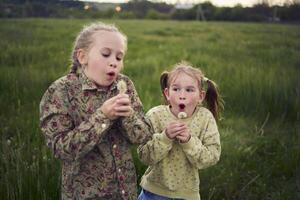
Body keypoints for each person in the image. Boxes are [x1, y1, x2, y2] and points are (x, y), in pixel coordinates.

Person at [39, 22, 151, 200]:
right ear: (83, 57)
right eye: (106, 54)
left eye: (119, 57)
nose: (114, 62)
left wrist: (128, 116)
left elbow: (143, 136)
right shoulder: (61, 91)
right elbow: (61, 149)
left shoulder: (125, 85)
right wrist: (103, 117)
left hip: (125, 193)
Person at [137, 61, 223, 200]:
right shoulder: (155, 115)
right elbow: (144, 156)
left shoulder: (205, 118)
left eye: (189, 90)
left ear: (200, 96)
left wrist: (189, 142)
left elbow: (212, 156)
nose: (182, 95)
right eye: (176, 89)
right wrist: (165, 137)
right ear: (167, 93)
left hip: (187, 195)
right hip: (152, 193)